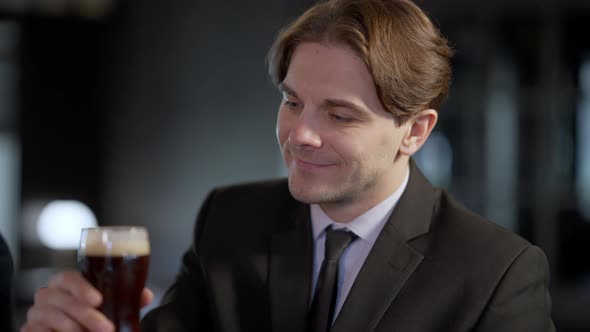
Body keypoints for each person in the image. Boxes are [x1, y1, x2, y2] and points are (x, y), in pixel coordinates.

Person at [21, 0, 555, 331]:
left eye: (340, 115)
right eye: (292, 101)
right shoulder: (229, 219)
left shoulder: (496, 274)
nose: (299, 134)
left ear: (415, 132)